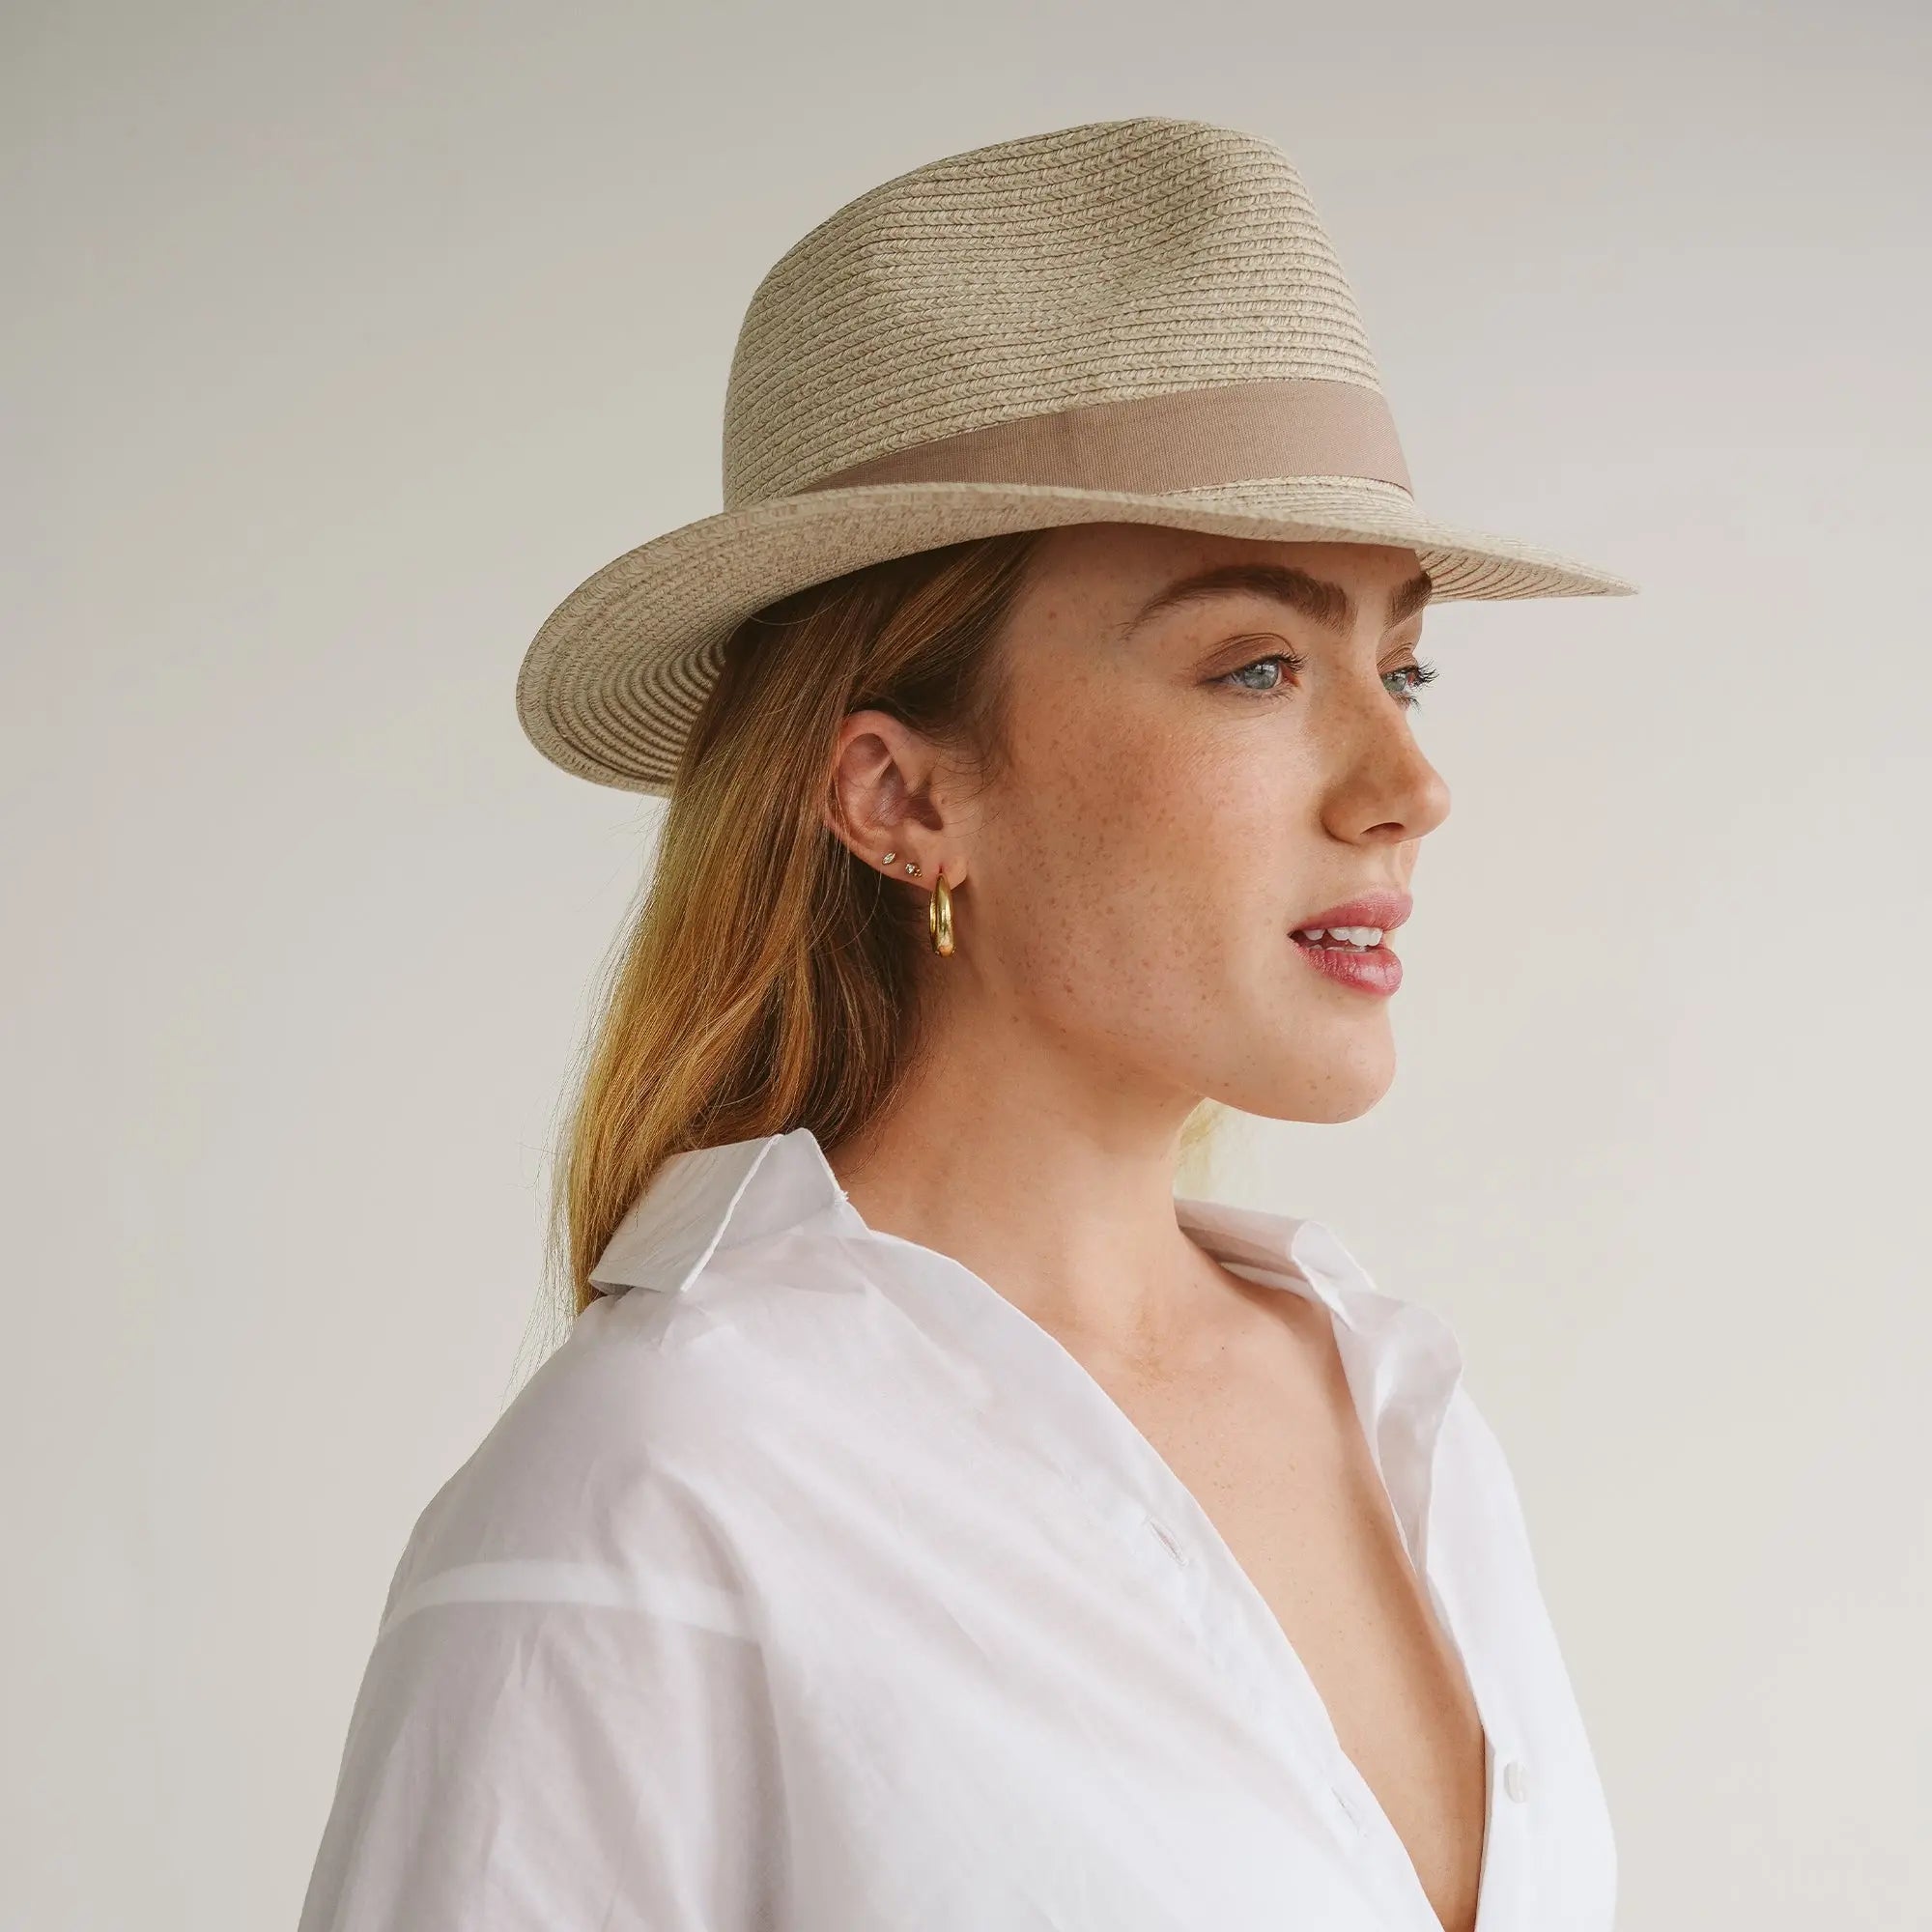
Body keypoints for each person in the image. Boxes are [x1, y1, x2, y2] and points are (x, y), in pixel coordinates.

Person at [299, 117, 1634, 1932]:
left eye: (1403, 665)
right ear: (901, 795)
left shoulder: (1400, 1409)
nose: (1409, 783)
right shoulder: (655, 1493)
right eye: (1257, 664)